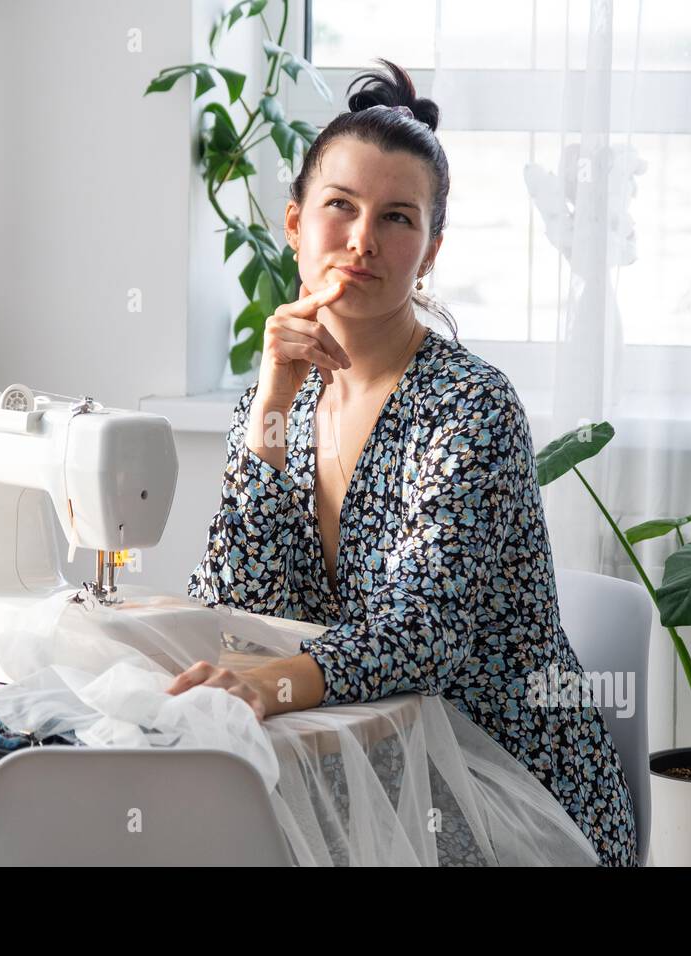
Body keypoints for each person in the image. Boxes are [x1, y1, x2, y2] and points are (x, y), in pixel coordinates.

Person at [177, 59, 638, 867]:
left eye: (396, 218)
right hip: (357, 763)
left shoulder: (471, 407)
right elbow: (236, 603)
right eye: (340, 209)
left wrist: (271, 685)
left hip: (508, 787)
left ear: (428, 252)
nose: (362, 241)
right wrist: (272, 413)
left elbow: (420, 635)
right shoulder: (274, 393)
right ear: (293, 225)